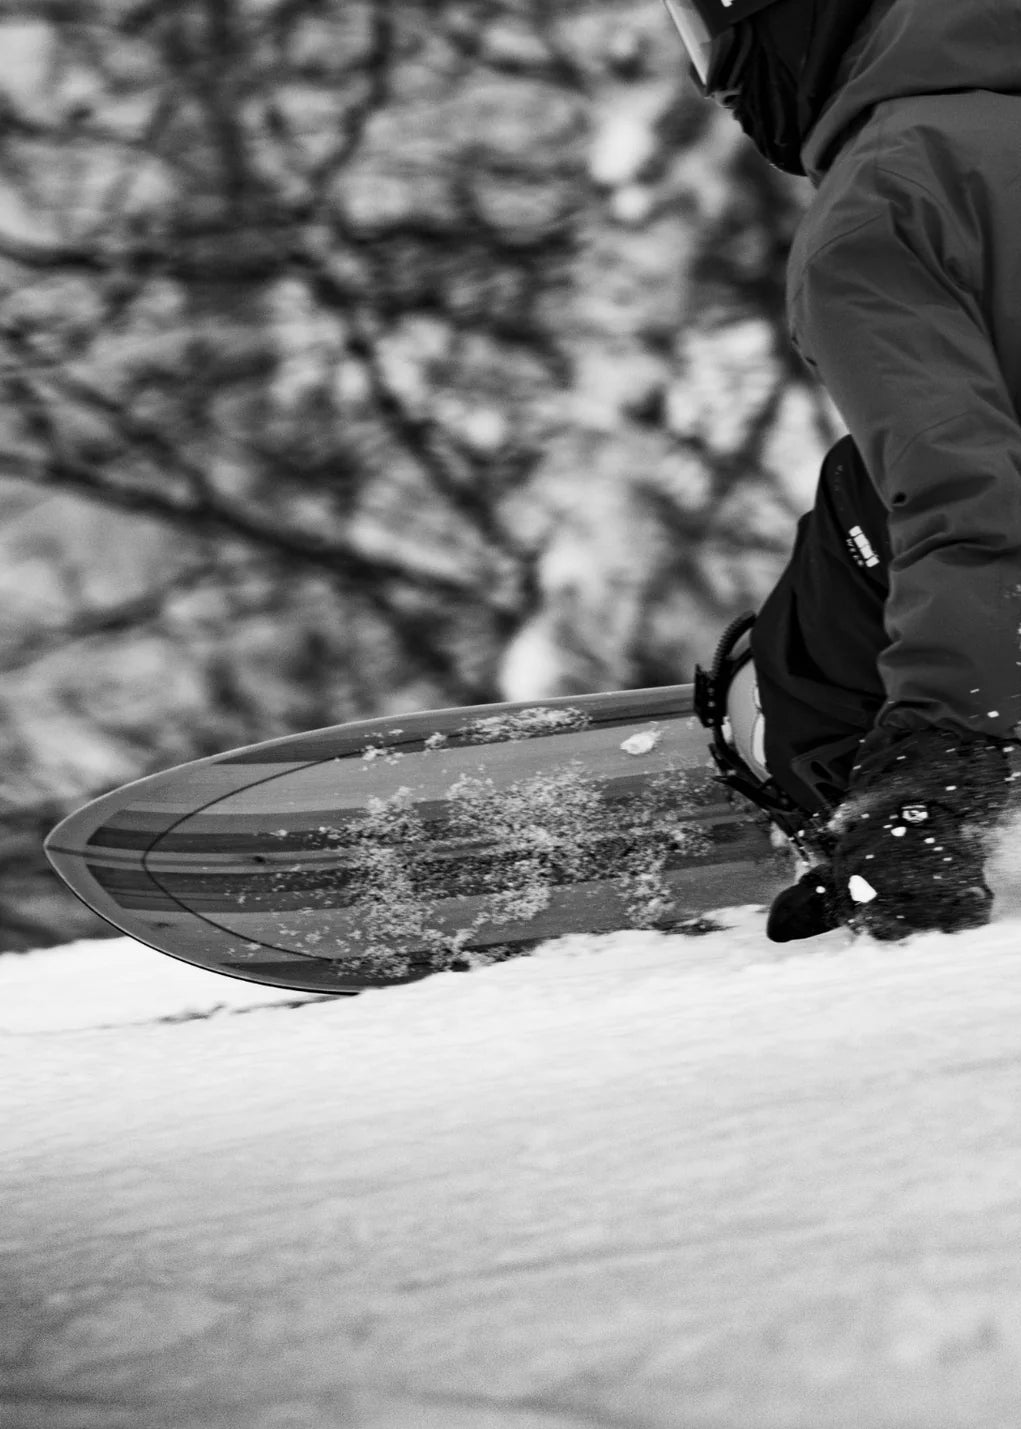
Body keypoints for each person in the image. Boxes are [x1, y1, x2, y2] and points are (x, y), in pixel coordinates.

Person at [663, 0, 1021, 940]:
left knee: (863, 498)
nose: (719, 83)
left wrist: (934, 776)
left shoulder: (883, 199)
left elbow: (968, 491)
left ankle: (825, 771)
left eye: (710, 36)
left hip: (973, 715)